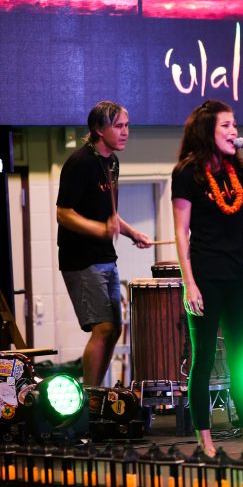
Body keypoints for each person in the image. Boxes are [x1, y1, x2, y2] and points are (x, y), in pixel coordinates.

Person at [171, 99, 243, 457]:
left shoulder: (237, 169)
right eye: (226, 126)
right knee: (203, 360)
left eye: (235, 125)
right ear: (207, 131)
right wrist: (190, 283)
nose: (234, 132)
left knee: (240, 361)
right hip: (205, 274)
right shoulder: (187, 173)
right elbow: (181, 232)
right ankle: (206, 440)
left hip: (235, 274)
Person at [56, 101, 153, 387]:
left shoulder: (111, 162)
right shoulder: (80, 162)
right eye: (119, 126)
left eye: (127, 126)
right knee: (104, 327)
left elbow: (110, 214)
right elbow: (63, 213)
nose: (126, 132)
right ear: (99, 129)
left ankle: (96, 394)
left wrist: (132, 232)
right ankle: (89, 395)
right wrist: (100, 229)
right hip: (81, 259)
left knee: (113, 330)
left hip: (105, 257)